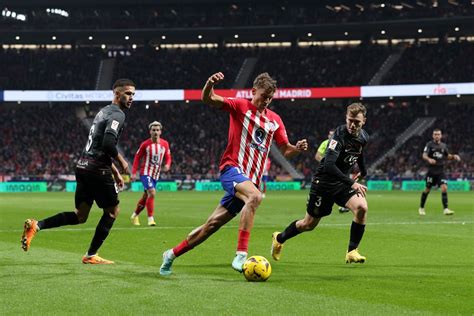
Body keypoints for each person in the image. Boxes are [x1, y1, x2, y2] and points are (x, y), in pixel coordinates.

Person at [159, 72, 308, 276]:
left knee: (211, 225)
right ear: (253, 91)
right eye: (264, 96)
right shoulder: (240, 106)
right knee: (255, 197)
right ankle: (240, 255)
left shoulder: (275, 120)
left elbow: (285, 150)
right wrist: (209, 84)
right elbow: (208, 98)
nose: (266, 101)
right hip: (232, 169)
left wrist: (297, 148)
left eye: (270, 98)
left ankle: (171, 254)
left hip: (249, 180)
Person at [20, 78, 136, 264]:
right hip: (97, 169)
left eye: (133, 94)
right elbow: (107, 143)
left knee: (80, 216)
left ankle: (37, 225)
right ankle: (91, 255)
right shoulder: (118, 114)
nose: (131, 98)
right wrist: (121, 161)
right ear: (117, 93)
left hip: (82, 165)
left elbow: (98, 144)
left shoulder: (102, 112)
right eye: (128, 93)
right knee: (113, 211)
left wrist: (114, 171)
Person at [271, 103, 369, 264]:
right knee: (308, 224)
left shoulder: (363, 136)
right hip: (323, 183)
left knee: (362, 207)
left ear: (363, 121)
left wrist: (363, 171)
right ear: (346, 118)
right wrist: (352, 183)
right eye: (350, 120)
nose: (352, 125)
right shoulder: (338, 137)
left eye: (356, 122)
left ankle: (352, 251)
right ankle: (279, 238)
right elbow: (329, 166)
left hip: (342, 183)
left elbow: (359, 152)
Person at [130, 121, 171, 226]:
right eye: (153, 130)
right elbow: (137, 158)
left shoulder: (165, 144)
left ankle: (134, 215)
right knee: (152, 192)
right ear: (150, 132)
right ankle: (150, 219)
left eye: (157, 130)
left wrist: (167, 165)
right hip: (145, 173)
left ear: (160, 132)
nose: (156, 132)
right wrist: (133, 172)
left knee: (145, 197)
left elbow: (168, 157)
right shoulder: (145, 144)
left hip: (155, 174)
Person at [418, 129, 461, 216]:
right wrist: (429, 159)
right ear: (433, 136)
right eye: (435, 134)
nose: (437, 136)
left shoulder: (443, 146)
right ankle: (421, 207)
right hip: (431, 172)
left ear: (441, 136)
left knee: (444, 188)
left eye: (438, 134)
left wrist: (454, 156)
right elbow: (424, 155)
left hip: (440, 171)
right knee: (427, 190)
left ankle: (445, 209)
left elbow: (447, 156)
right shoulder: (429, 145)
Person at [315, 129, 350, 214]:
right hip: (327, 170)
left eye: (332, 135)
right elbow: (317, 156)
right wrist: (326, 163)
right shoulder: (325, 143)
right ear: (328, 136)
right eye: (330, 135)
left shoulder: (341, 142)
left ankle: (343, 205)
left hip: (338, 170)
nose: (331, 136)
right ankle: (315, 202)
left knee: (342, 186)